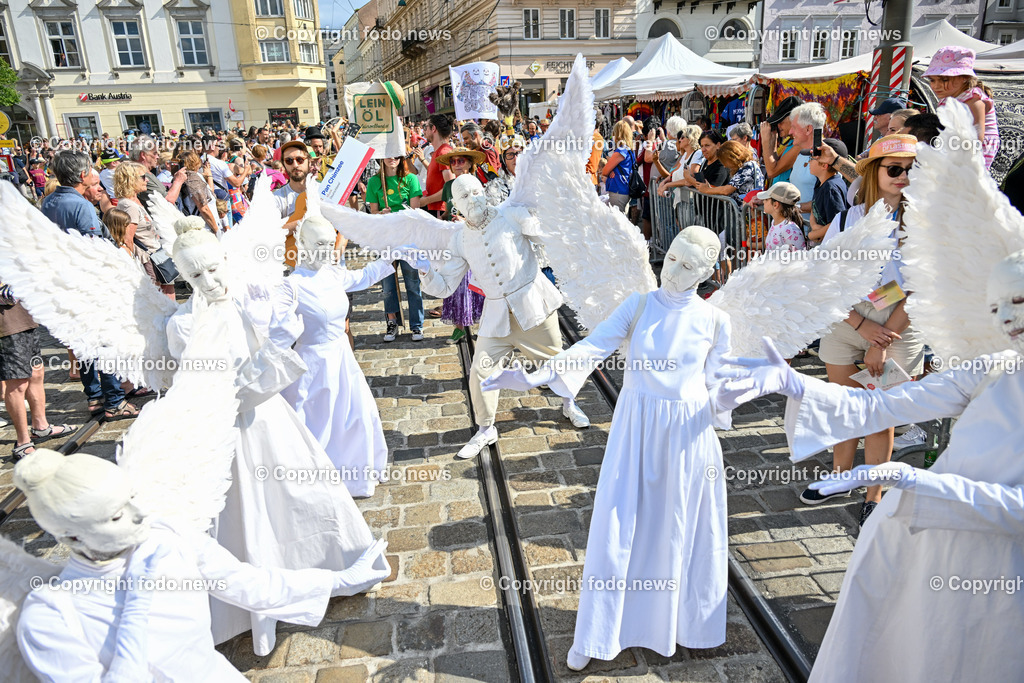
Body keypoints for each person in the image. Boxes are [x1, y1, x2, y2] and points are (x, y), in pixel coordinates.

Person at [482, 227, 734, 672]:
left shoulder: (716, 321)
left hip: (689, 441)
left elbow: (719, 388)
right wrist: (533, 376)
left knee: (678, 530)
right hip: (637, 431)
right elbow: (591, 347)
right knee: (618, 528)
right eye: (672, 257)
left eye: (688, 265)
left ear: (709, 273)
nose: (673, 271)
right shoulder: (638, 305)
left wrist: (749, 387)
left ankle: (679, 624)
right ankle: (598, 632)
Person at [807, 134, 923, 525]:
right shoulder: (846, 219)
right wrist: (859, 325)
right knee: (844, 405)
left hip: (899, 321)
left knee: (879, 413)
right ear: (875, 171)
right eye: (894, 169)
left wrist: (882, 339)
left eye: (911, 169)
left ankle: (874, 494)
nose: (903, 176)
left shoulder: (924, 222)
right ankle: (840, 477)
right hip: (848, 315)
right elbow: (826, 279)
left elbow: (919, 287)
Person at [40, 151, 137, 420]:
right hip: (89, 282)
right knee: (105, 341)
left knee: (82, 344)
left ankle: (94, 396)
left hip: (65, 281)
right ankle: (115, 401)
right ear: (83, 175)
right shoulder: (80, 205)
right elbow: (94, 244)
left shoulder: (48, 202)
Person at [1, 283, 77, 461]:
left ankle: (40, 426)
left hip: (26, 315)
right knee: (17, 381)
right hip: (6, 322)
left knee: (37, 373)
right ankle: (22, 441)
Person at [365, 156, 426, 342]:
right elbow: (372, 213)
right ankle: (392, 322)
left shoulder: (411, 179)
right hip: (385, 239)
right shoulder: (374, 182)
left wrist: (401, 215)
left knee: (412, 283)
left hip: (407, 239)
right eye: (388, 154)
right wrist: (380, 215)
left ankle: (417, 325)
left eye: (396, 154)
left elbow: (415, 212)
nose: (392, 158)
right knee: (388, 284)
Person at [437, 147, 487, 344]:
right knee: (456, 282)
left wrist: (466, 218)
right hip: (454, 241)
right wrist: (443, 220)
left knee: (479, 282)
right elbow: (445, 209)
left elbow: (485, 211)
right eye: (453, 162)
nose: (456, 165)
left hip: (475, 239)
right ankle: (459, 327)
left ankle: (484, 326)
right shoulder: (448, 186)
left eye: (461, 161)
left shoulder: (478, 184)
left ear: (469, 163)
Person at [924, 46, 1000, 170]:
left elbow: (976, 136)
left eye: (944, 79)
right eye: (932, 80)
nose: (936, 85)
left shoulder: (973, 98)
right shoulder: (946, 99)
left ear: (964, 78)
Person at [113, 162, 176, 298]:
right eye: (143, 177)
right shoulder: (129, 206)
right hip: (149, 260)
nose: (147, 180)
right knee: (160, 298)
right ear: (130, 180)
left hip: (156, 255)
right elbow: (127, 239)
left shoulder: (134, 201)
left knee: (168, 291)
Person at [807, 139, 851, 243]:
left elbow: (838, 222)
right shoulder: (820, 182)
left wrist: (813, 234)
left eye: (811, 158)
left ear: (824, 165)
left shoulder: (830, 188)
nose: (808, 162)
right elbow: (814, 206)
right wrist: (814, 225)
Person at [696, 140, 764, 203]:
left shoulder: (748, 166)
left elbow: (727, 190)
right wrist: (710, 189)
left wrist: (707, 190)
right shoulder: (744, 167)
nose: (725, 166)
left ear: (732, 157)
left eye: (725, 161)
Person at [130, 134, 186, 207]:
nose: (157, 157)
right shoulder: (140, 176)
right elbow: (167, 201)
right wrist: (178, 181)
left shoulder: (147, 173)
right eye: (155, 153)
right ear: (143, 155)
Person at [760, 95, 804, 185]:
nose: (778, 126)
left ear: (794, 120)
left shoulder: (800, 144)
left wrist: (765, 142)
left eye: (781, 122)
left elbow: (772, 171)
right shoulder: (791, 141)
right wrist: (772, 142)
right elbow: (776, 163)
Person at [418, 114, 455, 217]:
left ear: (433, 128)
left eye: (425, 127)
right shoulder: (438, 151)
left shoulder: (444, 152)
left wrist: (426, 200)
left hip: (441, 210)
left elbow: (450, 187)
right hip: (435, 208)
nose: (424, 130)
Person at [756, 182, 806, 252]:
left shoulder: (790, 230)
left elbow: (798, 258)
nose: (763, 201)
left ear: (776, 205)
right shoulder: (774, 222)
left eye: (766, 199)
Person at [179, 151, 219, 233]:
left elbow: (209, 194)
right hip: (203, 229)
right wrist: (216, 229)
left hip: (202, 227)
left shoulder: (192, 176)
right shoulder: (193, 179)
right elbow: (204, 208)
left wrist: (209, 174)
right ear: (195, 163)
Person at [601, 120, 636, 212]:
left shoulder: (621, 151)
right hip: (624, 188)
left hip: (618, 189)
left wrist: (608, 172)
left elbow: (605, 171)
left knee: (618, 221)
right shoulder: (629, 149)